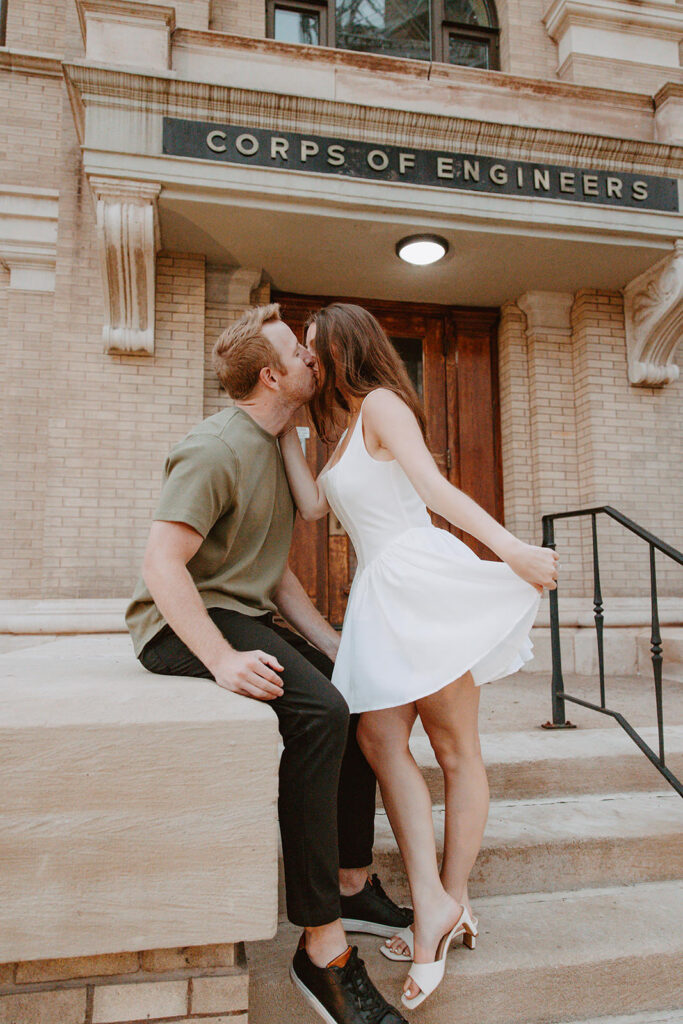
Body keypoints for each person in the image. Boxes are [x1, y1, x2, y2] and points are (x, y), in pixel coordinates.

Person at [125, 303, 412, 1024]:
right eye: (299, 353)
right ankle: (321, 947)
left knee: (351, 687)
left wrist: (332, 641)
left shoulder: (277, 442)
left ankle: (351, 881)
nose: (314, 359)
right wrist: (220, 660)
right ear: (270, 374)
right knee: (319, 712)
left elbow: (272, 571)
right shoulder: (215, 447)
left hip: (241, 610)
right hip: (181, 623)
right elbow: (163, 564)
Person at [279, 302, 560, 1010]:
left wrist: (512, 550)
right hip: (378, 593)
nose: (308, 359)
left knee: (455, 747)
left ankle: (449, 899)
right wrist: (287, 434)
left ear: (340, 346)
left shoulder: (381, 403)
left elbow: (434, 491)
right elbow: (315, 508)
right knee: (378, 740)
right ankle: (432, 899)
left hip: (418, 578)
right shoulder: (340, 429)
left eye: (312, 348)